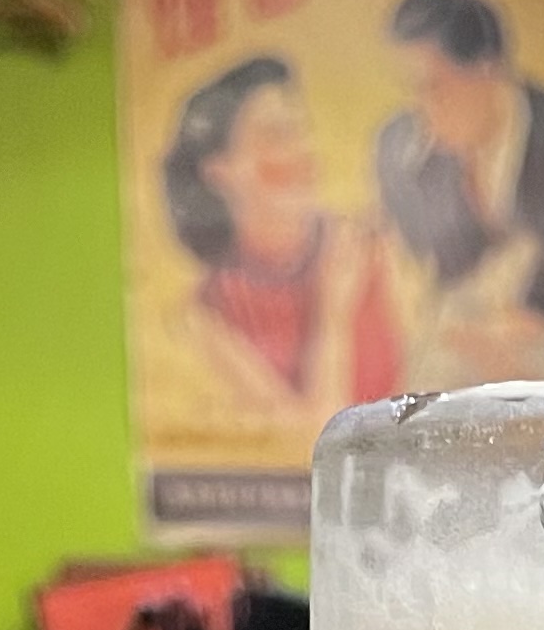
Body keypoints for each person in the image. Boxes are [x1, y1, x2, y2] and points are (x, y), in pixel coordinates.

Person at [160, 54, 399, 433]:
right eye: (277, 136)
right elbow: (313, 442)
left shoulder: (368, 245)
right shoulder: (209, 314)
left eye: (301, 130)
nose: (302, 150)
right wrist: (332, 315)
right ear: (219, 170)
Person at [373, 0, 544, 380]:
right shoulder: (399, 147)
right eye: (412, 91)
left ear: (489, 71)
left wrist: (515, 337)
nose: (422, 112)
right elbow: (414, 282)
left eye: (434, 88)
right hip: (452, 336)